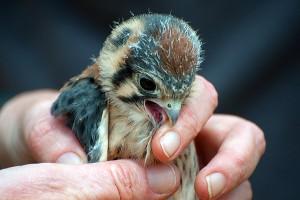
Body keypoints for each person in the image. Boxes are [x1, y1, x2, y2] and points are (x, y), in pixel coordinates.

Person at [0, 75, 265, 199]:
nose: (173, 111)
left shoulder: (177, 113)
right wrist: (9, 121)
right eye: (148, 85)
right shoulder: (93, 102)